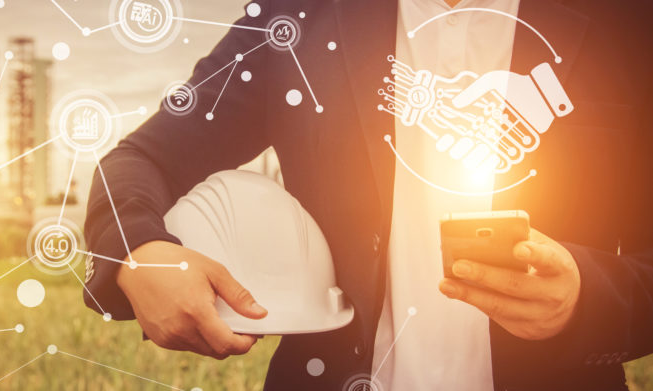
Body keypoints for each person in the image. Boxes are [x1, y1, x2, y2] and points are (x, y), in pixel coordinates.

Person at [82, 0, 653, 389]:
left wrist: (585, 299)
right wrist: (136, 252)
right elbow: (140, 158)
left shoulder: (628, 21)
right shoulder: (300, 16)